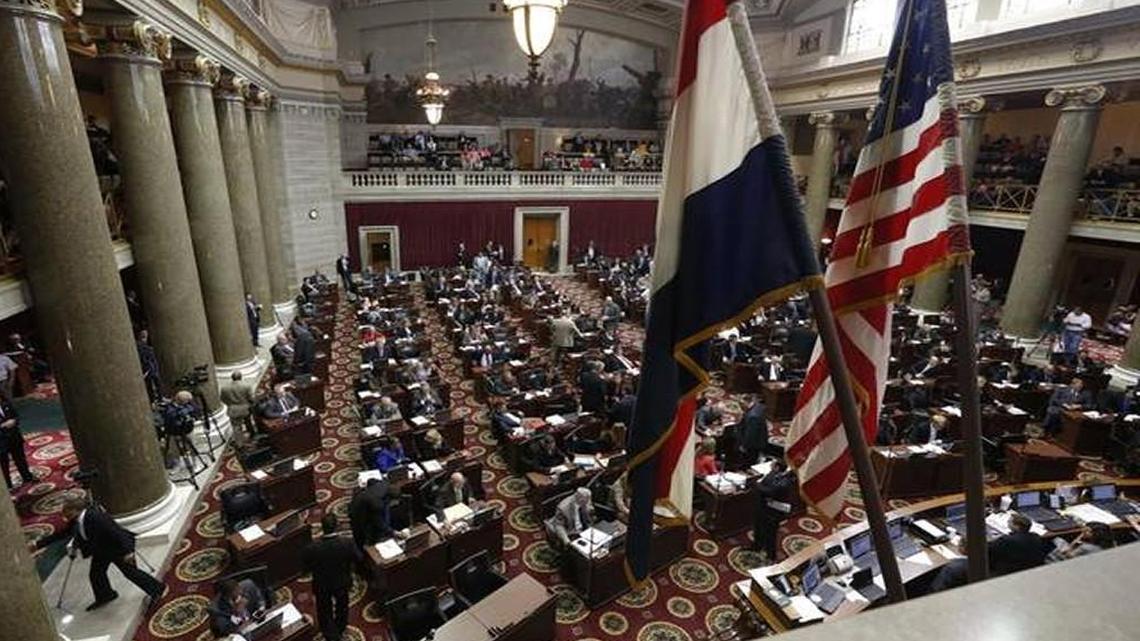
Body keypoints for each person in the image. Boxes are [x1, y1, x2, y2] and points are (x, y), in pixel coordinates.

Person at [33, 496, 165, 611]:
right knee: (96, 574)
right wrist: (37, 545)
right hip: (101, 550)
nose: (63, 514)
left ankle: (157, 590)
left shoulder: (95, 517)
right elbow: (62, 534)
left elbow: (117, 532)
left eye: (65, 511)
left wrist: (129, 552)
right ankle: (106, 595)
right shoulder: (75, 520)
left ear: (74, 510)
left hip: (117, 549)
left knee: (131, 573)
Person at [302, 514, 360, 641]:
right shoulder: (347, 543)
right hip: (342, 582)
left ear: (322, 527)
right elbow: (358, 558)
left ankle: (329, 633)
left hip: (322, 584)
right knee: (342, 605)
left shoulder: (312, 548)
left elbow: (305, 569)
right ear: (337, 526)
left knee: (323, 608)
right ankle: (340, 627)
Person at [751, 460, 796, 561]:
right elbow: (764, 484)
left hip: (773, 513)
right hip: (763, 507)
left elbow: (769, 491)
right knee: (758, 528)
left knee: (770, 535)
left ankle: (771, 556)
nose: (771, 465)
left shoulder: (785, 482)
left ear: (777, 468)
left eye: (773, 464)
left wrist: (755, 484)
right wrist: (762, 488)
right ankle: (756, 546)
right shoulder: (773, 473)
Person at [0, 396, 35, 490]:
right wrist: (3, 425)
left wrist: (14, 421)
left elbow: (16, 416)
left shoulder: (6, 404)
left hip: (14, 437)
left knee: (20, 459)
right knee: (4, 464)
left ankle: (27, 477)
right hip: (1, 442)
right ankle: (8, 485)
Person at [348, 478, 393, 547]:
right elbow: (378, 522)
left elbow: (371, 481)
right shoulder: (377, 503)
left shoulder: (385, 484)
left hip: (359, 500)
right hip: (359, 515)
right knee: (361, 535)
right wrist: (393, 532)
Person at [1048, 521, 1113, 562]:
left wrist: (1078, 539)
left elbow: (1067, 554)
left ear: (1096, 534)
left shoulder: (1085, 547)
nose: (1083, 531)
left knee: (1057, 540)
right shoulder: (1109, 544)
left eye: (1086, 531)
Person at [220, 371, 257, 441]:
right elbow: (251, 398)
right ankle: (253, 435)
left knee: (236, 427)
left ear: (232, 378)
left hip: (233, 409)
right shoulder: (246, 386)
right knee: (248, 422)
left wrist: (230, 404)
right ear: (241, 377)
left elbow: (222, 399)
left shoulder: (224, 388)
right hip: (245, 408)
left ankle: (240, 444)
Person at [739, 395, 775, 464]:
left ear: (747, 403)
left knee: (750, 459)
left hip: (754, 444)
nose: (741, 408)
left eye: (742, 405)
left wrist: (744, 446)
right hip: (760, 438)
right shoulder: (758, 406)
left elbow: (750, 435)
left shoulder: (753, 417)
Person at [136, 329, 161, 403]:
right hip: (148, 368)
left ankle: (158, 397)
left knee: (156, 383)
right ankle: (154, 399)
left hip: (152, 367)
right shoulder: (140, 346)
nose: (145, 336)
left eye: (146, 334)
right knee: (150, 384)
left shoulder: (147, 346)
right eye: (143, 334)